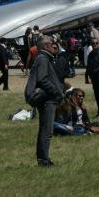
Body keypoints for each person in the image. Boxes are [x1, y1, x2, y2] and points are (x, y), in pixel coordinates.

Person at [34, 35, 63, 167]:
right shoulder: (43, 59)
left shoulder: (44, 58)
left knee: (45, 129)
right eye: (52, 44)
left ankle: (43, 158)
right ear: (46, 46)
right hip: (48, 100)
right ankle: (44, 160)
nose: (54, 46)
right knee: (47, 131)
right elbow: (42, 79)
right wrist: (55, 91)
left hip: (48, 99)